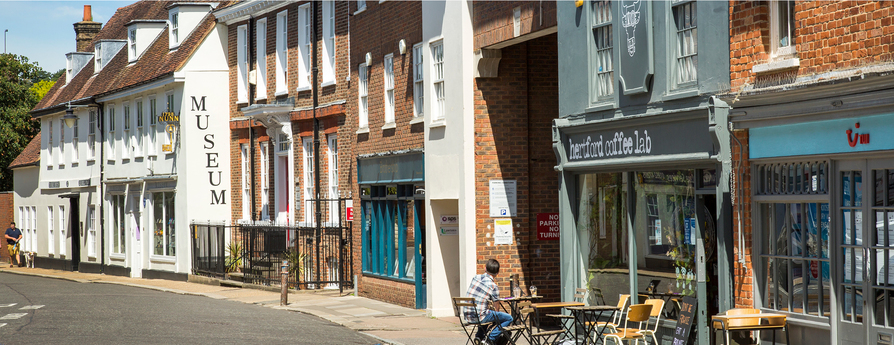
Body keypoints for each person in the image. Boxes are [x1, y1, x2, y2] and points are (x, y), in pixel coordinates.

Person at [465, 259, 512, 345]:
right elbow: (496, 309)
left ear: (485, 268)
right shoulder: (494, 286)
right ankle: (490, 340)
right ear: (497, 273)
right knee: (508, 318)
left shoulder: (475, 278)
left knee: (486, 312)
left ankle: (479, 337)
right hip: (480, 316)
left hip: (467, 315)